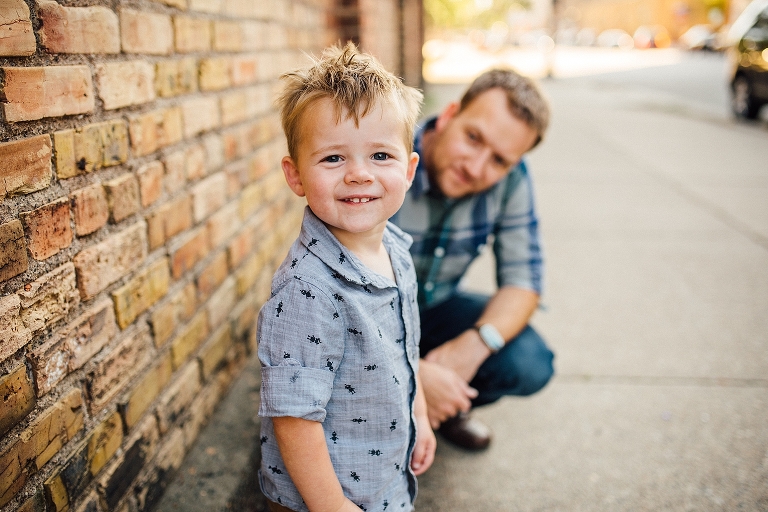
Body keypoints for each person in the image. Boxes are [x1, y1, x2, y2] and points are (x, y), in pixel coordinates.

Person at [256, 43, 436, 512]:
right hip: (327, 496)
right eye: (333, 159)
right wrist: (331, 507)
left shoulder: (396, 250)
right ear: (296, 176)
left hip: (385, 479)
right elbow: (294, 418)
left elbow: (405, 354)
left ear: (409, 169)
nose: (359, 175)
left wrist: (420, 416)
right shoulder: (307, 290)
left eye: (380, 155)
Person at [391, 68, 555, 451]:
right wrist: (413, 372)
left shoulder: (513, 180)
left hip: (435, 307)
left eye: (499, 160)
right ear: (448, 115)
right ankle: (396, 410)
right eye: (473, 138)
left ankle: (441, 406)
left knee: (530, 361)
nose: (477, 168)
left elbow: (523, 282)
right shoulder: (386, 155)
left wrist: (473, 345)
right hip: (360, 318)